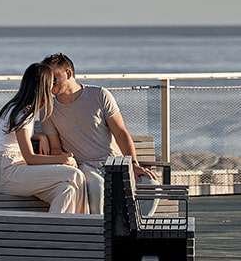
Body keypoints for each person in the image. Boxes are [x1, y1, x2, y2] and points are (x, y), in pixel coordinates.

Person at [39, 53, 158, 216]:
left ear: (68, 73)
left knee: (150, 184)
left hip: (114, 164)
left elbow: (121, 132)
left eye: (54, 77)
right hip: (85, 167)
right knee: (96, 186)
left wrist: (134, 164)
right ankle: (100, 232)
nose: (49, 83)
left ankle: (136, 230)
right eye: (47, 79)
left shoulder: (100, 95)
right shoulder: (48, 109)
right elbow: (55, 149)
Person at [0, 63, 89, 215]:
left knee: (67, 190)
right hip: (7, 173)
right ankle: (85, 229)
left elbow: (14, 135)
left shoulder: (23, 108)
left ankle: (56, 234)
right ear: (43, 86)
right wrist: (62, 159)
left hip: (17, 169)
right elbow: (30, 158)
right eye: (51, 83)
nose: (53, 87)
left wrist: (39, 136)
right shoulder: (21, 112)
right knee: (75, 174)